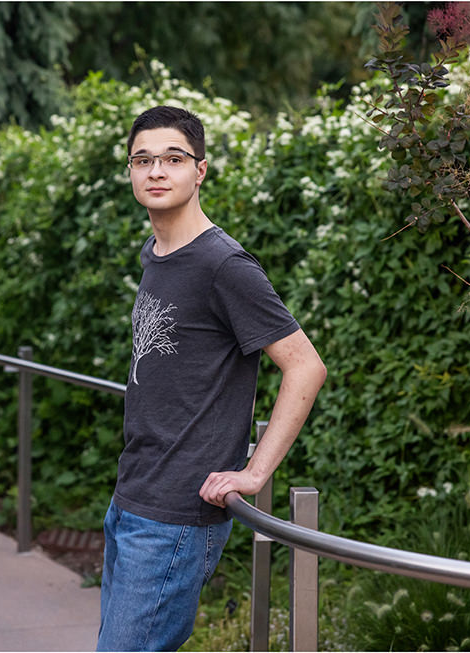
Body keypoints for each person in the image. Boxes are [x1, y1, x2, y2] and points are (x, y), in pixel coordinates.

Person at [97, 105, 327, 652]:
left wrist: (253, 473)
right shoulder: (158, 253)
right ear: (129, 170)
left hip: (176, 516)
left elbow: (306, 366)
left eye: (173, 159)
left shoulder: (224, 265)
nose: (156, 171)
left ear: (199, 170)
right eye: (143, 159)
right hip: (132, 497)